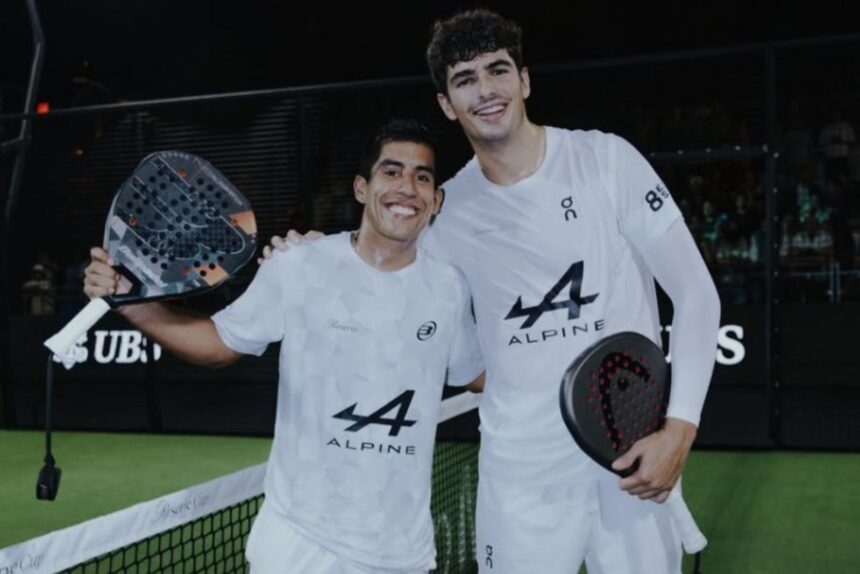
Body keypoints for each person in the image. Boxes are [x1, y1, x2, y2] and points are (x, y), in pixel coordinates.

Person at [83, 119, 485, 574]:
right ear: (361, 187)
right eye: (391, 172)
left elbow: (477, 374)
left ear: (436, 200)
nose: (407, 187)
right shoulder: (300, 265)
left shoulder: (449, 288)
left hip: (401, 555)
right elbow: (218, 344)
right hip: (299, 546)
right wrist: (131, 305)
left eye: (422, 176)